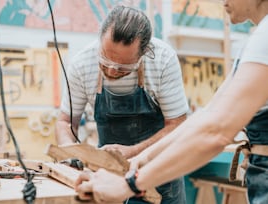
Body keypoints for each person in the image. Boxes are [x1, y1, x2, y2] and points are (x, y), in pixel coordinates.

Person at [75, 0, 268, 203]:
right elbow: (207, 116)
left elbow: (216, 132)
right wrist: (141, 159)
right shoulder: (257, 38)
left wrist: (128, 185)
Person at [56, 5, 189, 204]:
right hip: (107, 177)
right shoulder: (82, 64)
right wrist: (71, 156)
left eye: (122, 67)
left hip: (159, 175)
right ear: (100, 39)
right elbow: (64, 123)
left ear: (145, 53)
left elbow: (178, 126)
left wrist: (132, 152)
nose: (110, 71)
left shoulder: (163, 60)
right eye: (105, 61)